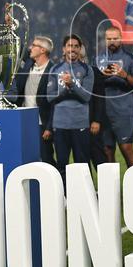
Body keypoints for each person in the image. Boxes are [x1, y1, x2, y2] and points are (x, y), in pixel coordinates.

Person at [46, 34, 93, 184]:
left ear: (80, 49)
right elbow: (49, 97)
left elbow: (86, 96)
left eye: (75, 46)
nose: (72, 49)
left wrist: (72, 84)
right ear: (63, 49)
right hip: (60, 124)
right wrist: (66, 90)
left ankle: (87, 198)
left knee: (83, 164)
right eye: (69, 46)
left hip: (80, 124)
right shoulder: (55, 69)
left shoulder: (87, 70)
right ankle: (64, 198)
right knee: (62, 164)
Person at [95, 26, 133, 167]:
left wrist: (124, 76)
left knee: (126, 148)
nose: (112, 41)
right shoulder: (98, 59)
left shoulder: (131, 58)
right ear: (105, 40)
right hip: (103, 113)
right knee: (107, 150)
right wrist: (101, 76)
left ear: (121, 39)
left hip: (123, 112)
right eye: (109, 38)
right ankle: (112, 189)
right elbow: (92, 85)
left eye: (115, 38)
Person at [8, 35, 55, 166]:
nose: (30, 48)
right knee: (27, 158)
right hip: (26, 120)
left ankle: (56, 184)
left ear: (43, 50)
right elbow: (20, 46)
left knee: (46, 157)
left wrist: (49, 127)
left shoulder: (53, 70)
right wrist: (10, 27)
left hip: (42, 122)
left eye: (34, 45)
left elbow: (54, 103)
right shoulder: (29, 64)